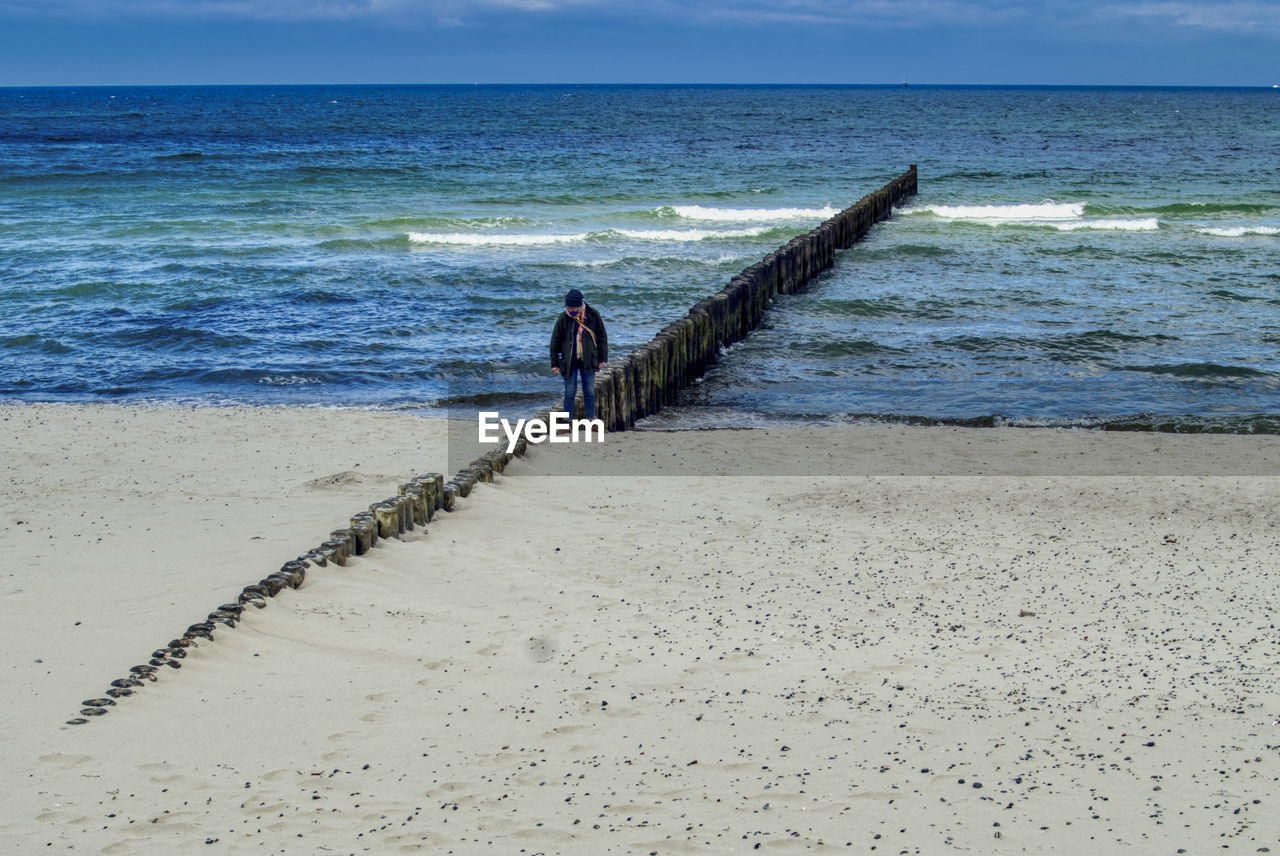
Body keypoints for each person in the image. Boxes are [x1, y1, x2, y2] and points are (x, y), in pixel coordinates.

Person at [550, 288, 608, 420]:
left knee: (589, 391)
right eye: (568, 307)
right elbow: (555, 342)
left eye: (573, 307)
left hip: (588, 359)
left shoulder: (593, 315)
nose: (571, 310)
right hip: (569, 361)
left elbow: (602, 337)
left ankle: (591, 418)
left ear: (580, 305)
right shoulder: (563, 318)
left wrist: (603, 358)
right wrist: (554, 363)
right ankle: (568, 420)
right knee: (570, 392)